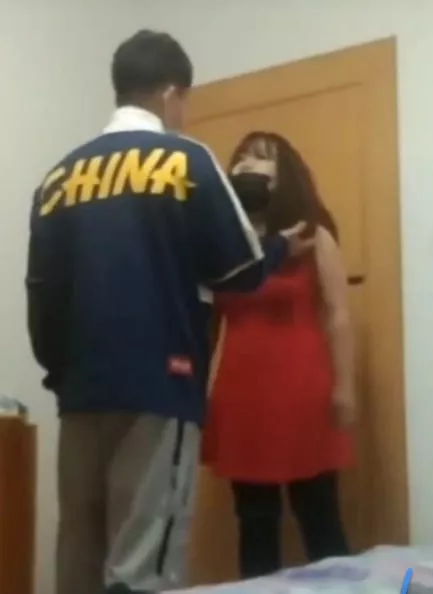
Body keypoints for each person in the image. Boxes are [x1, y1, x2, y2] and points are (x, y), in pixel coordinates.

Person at [25, 33, 314, 594]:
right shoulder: (186, 159)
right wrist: (280, 247)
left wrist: (61, 372)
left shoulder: (59, 177)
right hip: (161, 386)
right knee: (143, 564)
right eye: (185, 101)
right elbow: (239, 270)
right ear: (170, 93)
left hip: (80, 394)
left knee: (80, 554)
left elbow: (41, 290)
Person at [202, 131, 356, 579]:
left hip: (303, 388)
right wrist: (195, 393)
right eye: (242, 157)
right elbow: (208, 326)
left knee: (319, 513)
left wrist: (345, 387)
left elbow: (339, 314)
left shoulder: (312, 235)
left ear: (284, 172)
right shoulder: (224, 243)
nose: (248, 163)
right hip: (240, 395)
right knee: (254, 520)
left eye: (262, 157)